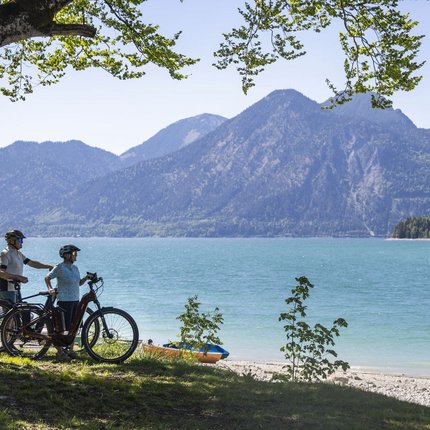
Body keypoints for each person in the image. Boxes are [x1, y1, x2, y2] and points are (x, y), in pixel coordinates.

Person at [45, 244, 90, 361]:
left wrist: (86, 278)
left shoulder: (75, 268)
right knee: (61, 329)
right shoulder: (59, 267)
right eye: (74, 254)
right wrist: (50, 288)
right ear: (66, 255)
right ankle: (60, 352)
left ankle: (70, 350)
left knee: (73, 327)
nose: (76, 256)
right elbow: (47, 277)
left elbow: (79, 283)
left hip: (75, 300)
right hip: (64, 301)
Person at [0, 229, 53, 303]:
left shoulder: (18, 253)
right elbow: (1, 273)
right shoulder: (5, 253)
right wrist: (18, 277)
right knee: (10, 313)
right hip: (7, 289)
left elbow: (32, 263)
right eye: (20, 240)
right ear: (12, 241)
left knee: (18, 312)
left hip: (15, 288)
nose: (22, 243)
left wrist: (49, 266)